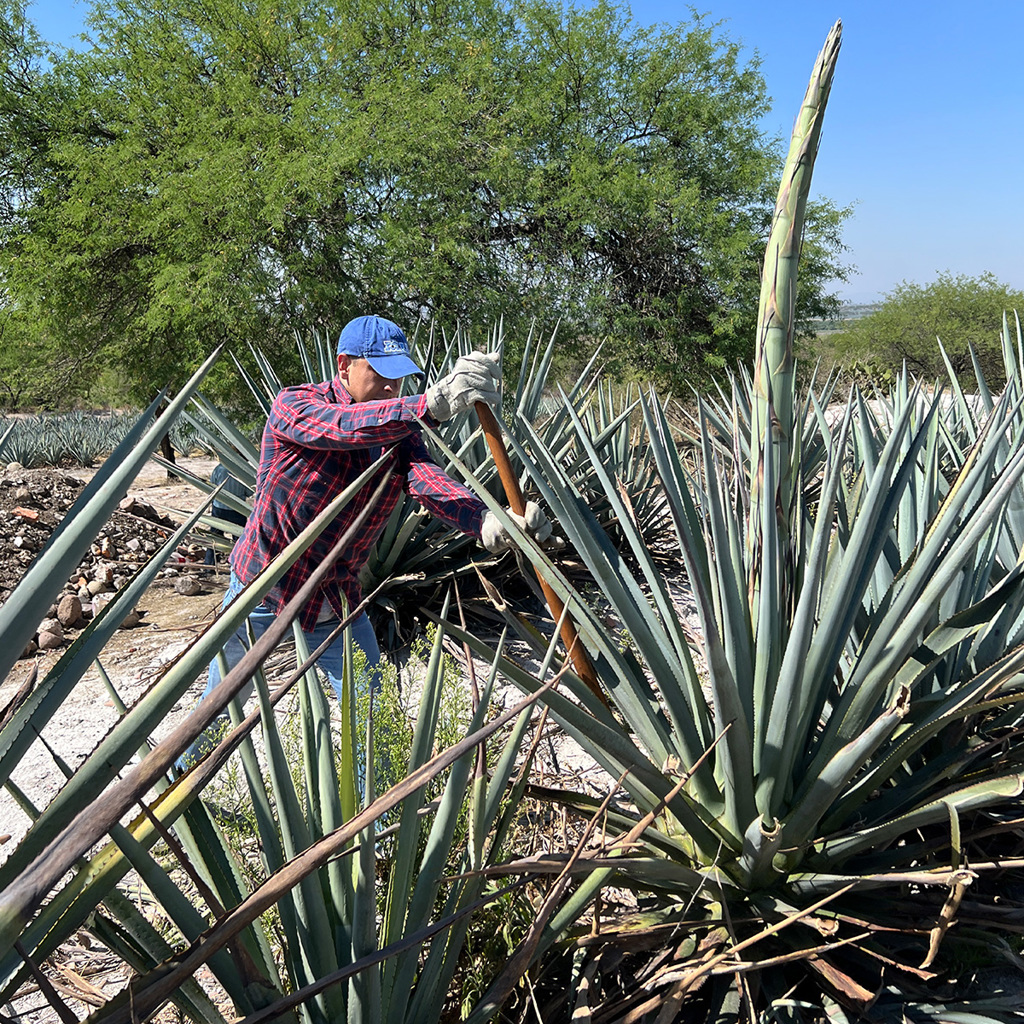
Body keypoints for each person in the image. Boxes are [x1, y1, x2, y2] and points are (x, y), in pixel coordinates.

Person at [181, 314, 555, 767]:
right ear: (344, 367)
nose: (390, 389)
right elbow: (346, 427)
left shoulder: (398, 434)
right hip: (262, 589)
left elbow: (425, 479)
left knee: (374, 721)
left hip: (333, 601)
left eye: (400, 381)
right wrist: (430, 405)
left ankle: (373, 825)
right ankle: (179, 791)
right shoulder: (294, 406)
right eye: (381, 376)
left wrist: (485, 521)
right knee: (218, 704)